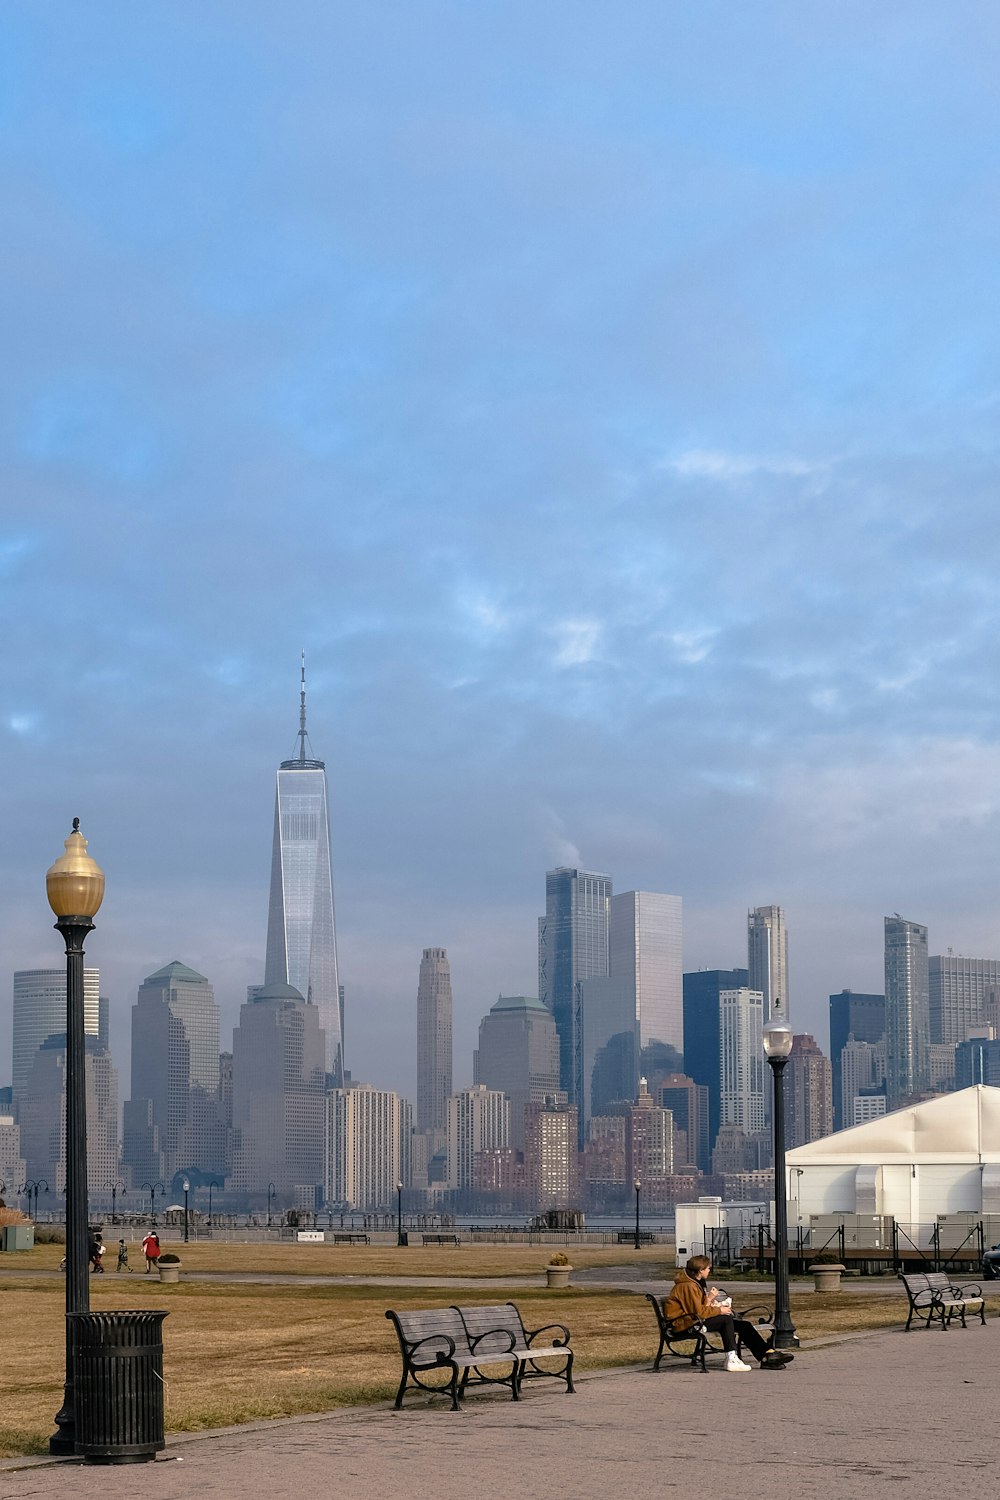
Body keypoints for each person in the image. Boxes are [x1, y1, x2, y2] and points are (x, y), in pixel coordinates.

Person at [665, 1255, 794, 1372]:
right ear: (700, 1270)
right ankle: (731, 1358)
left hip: (696, 1319)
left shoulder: (695, 1283)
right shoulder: (687, 1286)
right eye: (708, 1268)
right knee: (725, 1320)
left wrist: (711, 1300)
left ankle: (767, 1355)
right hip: (686, 1323)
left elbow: (700, 1308)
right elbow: (697, 1312)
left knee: (744, 1325)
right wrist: (720, 1310)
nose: (709, 1270)